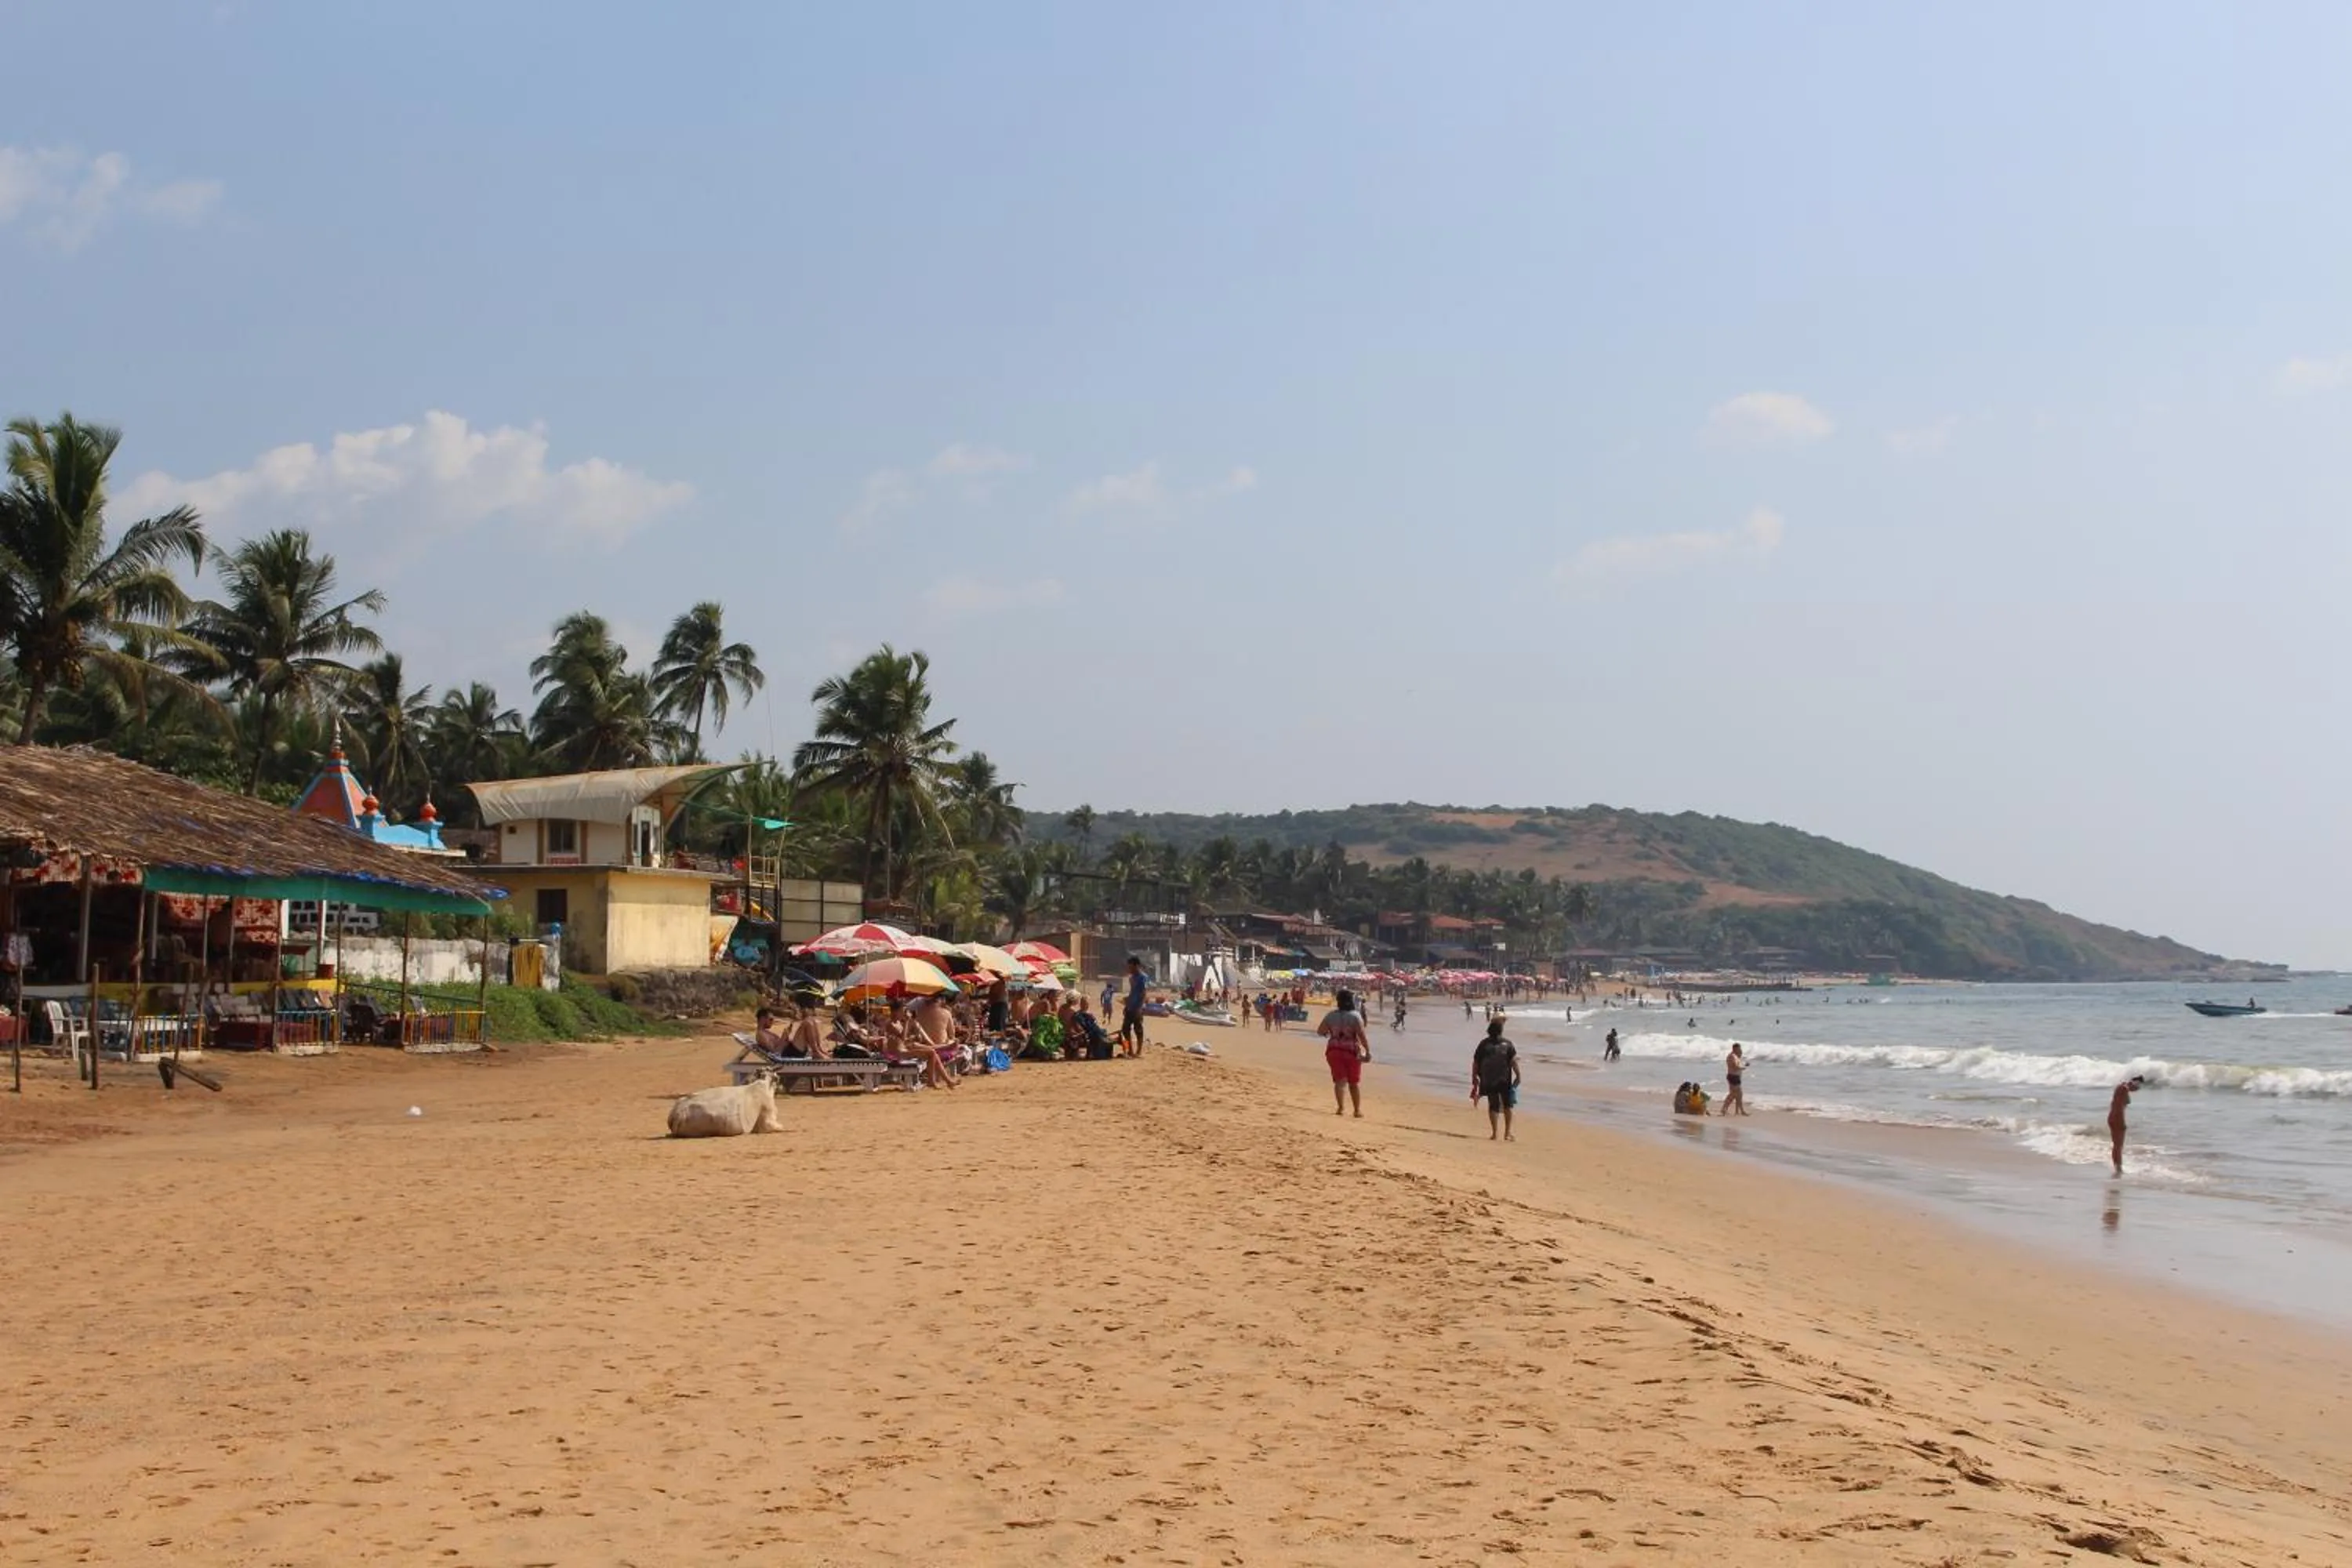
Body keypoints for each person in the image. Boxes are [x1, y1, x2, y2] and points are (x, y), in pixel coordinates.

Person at [1318, 987, 1372, 1117]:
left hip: (1334, 1050)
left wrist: (1331, 1033)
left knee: (1340, 1081)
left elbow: (1321, 1031)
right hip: (1351, 1051)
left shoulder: (1331, 1015)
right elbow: (1362, 1035)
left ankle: (1341, 1108)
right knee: (1353, 1082)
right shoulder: (1355, 1016)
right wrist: (1368, 1051)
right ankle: (1357, 1110)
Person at [1470, 1017, 1521, 1142]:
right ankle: (1507, 1133)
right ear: (1501, 1031)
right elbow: (1514, 1062)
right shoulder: (1508, 1044)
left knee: (1493, 1105)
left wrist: (1474, 1077)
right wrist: (1518, 1076)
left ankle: (1494, 1133)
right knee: (1508, 1106)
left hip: (1488, 1079)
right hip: (1504, 1079)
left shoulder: (1483, 1044)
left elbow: (1476, 1062)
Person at [2108, 1075, 2145, 1175]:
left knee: (2117, 1145)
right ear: (2135, 1083)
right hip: (2117, 1118)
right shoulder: (2124, 1089)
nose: (2137, 1090)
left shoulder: (2122, 1087)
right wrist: (2122, 1122)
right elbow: (2119, 1107)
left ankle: (2117, 1167)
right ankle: (2118, 1168)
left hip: (2113, 1117)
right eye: (2138, 1087)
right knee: (2118, 1146)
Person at [1120, 956, 1149, 1057]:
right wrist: (1127, 1003)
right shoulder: (1131, 978)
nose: (1129, 969)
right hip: (1130, 1007)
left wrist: (1139, 1008)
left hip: (1137, 1008)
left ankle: (1139, 1051)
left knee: (1138, 1030)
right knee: (1125, 1029)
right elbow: (1133, 992)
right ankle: (1129, 1050)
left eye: (1131, 967)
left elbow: (1143, 993)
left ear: (1137, 966)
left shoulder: (1143, 977)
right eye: (1129, 967)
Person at [1722, 1043, 1748, 1116]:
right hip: (1733, 1077)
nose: (1740, 1050)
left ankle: (1737, 1111)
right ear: (1735, 1049)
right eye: (1739, 1049)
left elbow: (1737, 1065)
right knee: (1735, 1094)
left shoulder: (1735, 1056)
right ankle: (1725, 1109)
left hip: (1734, 1077)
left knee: (1736, 1095)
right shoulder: (1732, 1056)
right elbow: (1735, 1067)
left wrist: (1743, 1064)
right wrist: (1743, 1068)